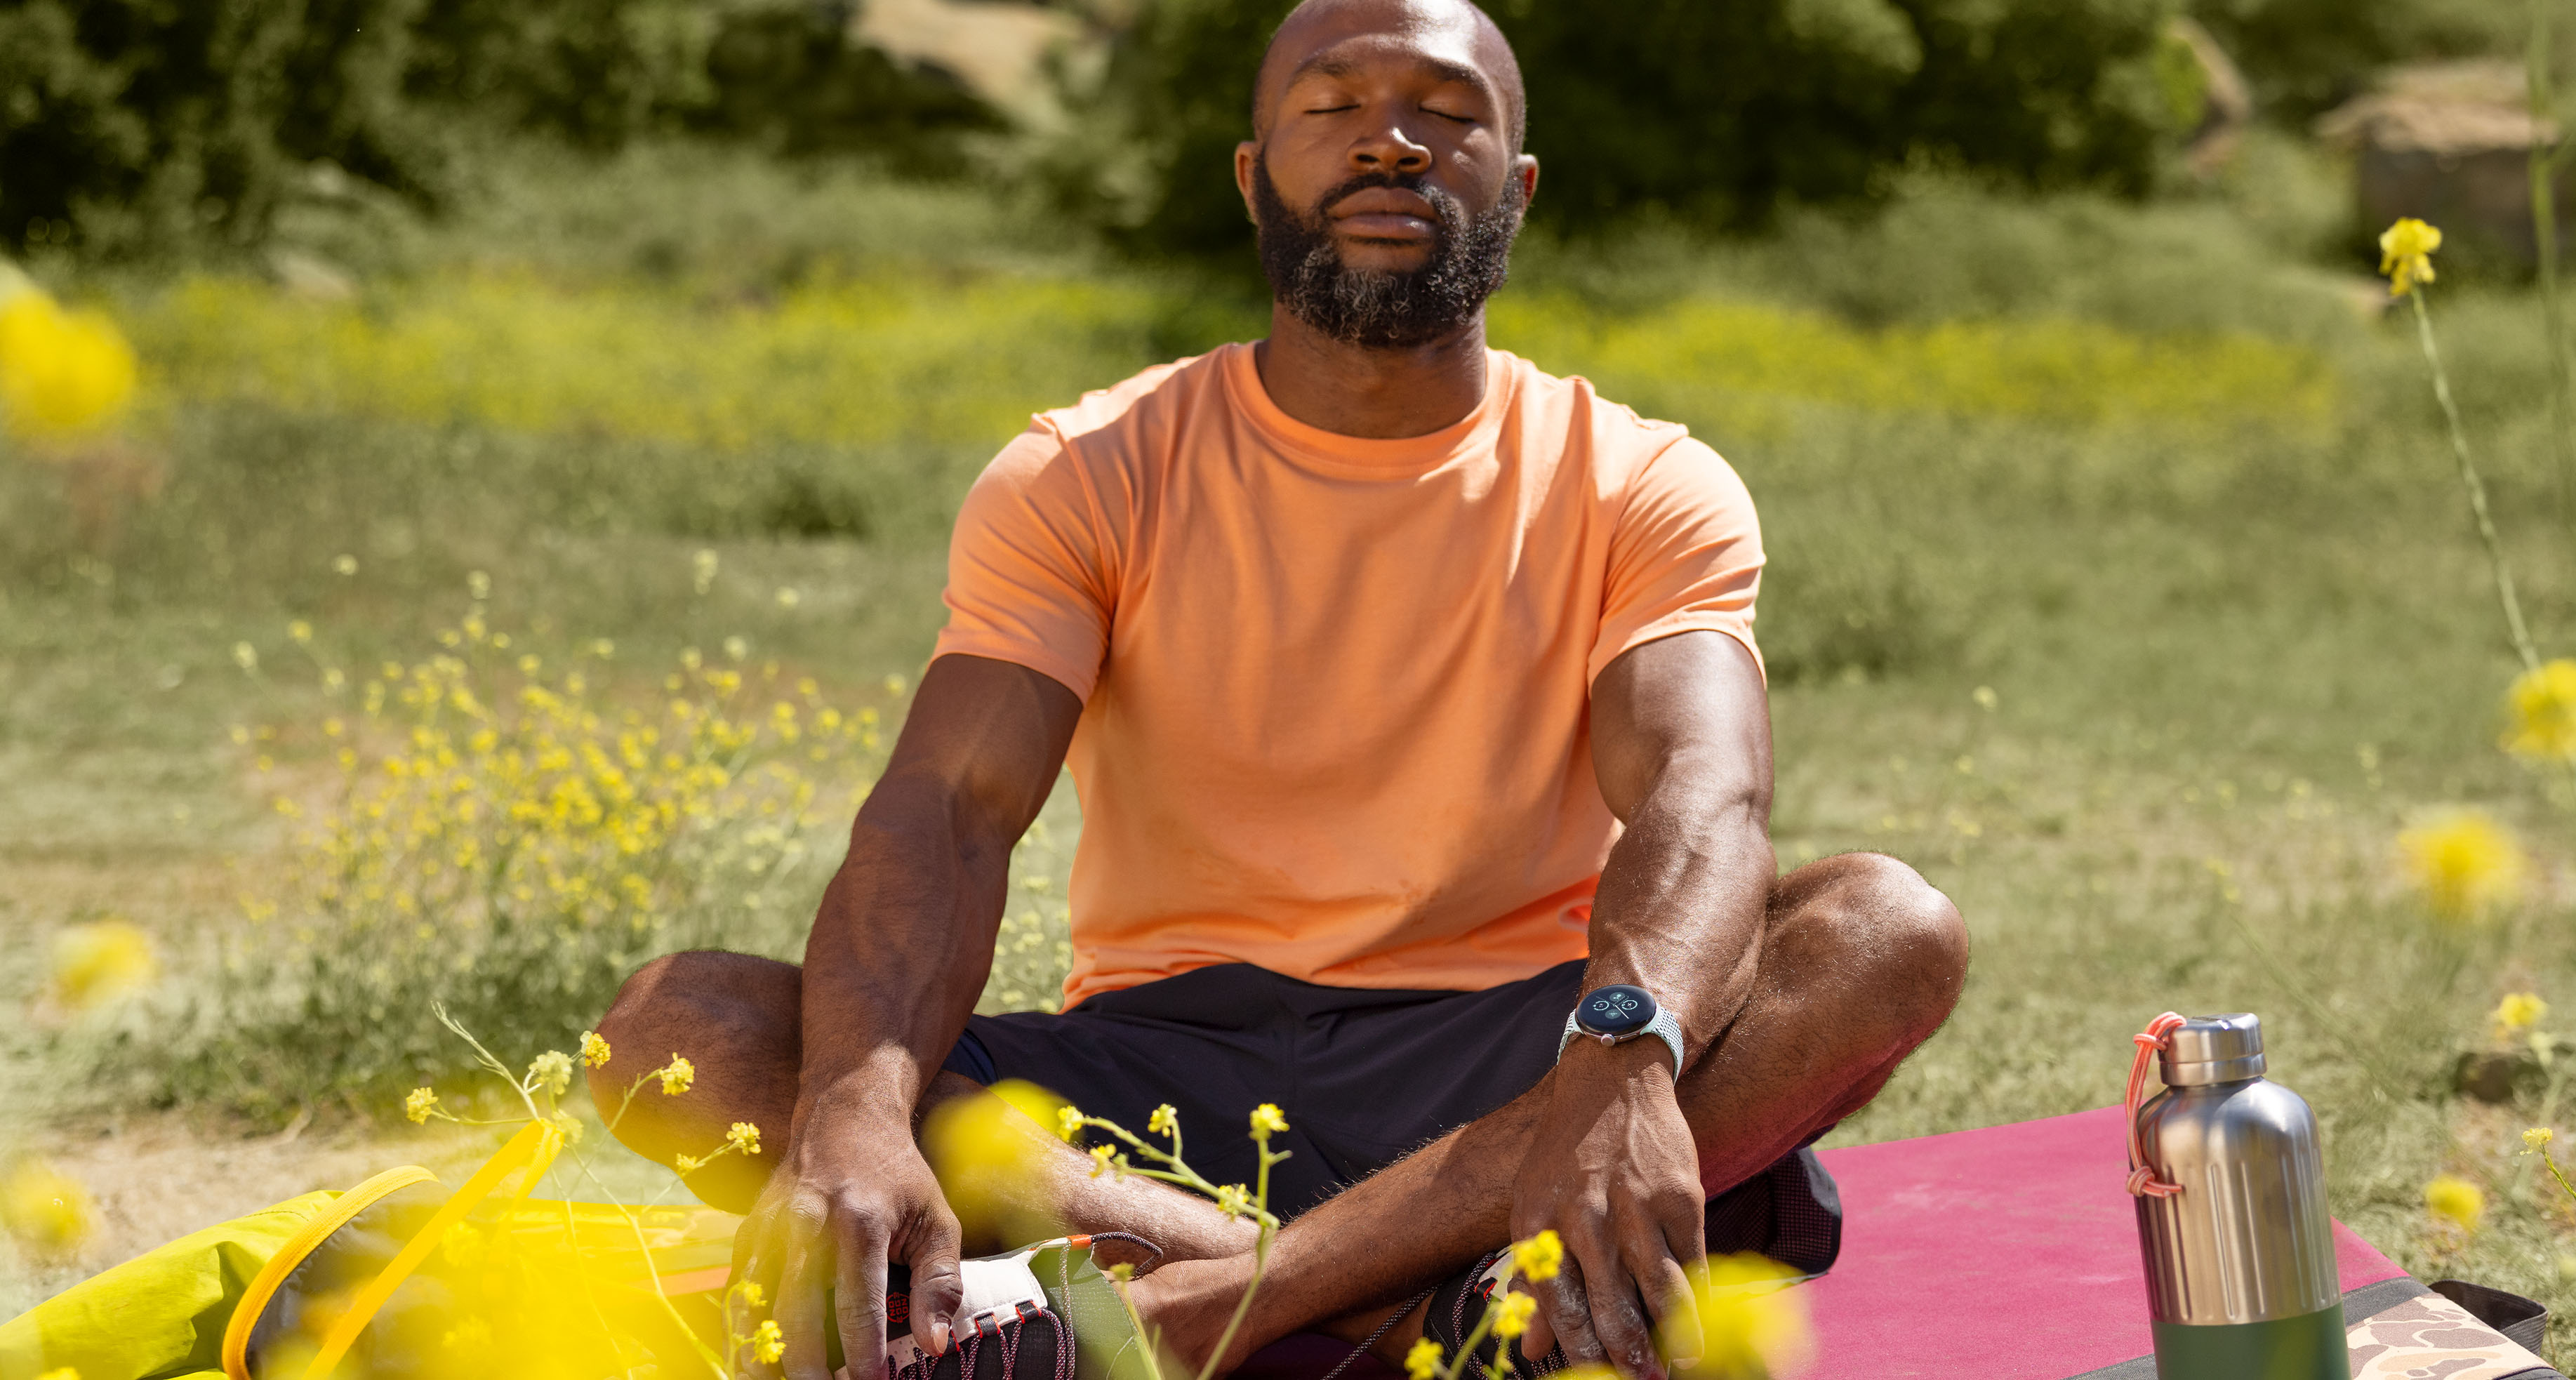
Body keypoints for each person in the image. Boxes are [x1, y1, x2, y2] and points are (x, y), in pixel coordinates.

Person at [587, 1, 1967, 1376]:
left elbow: (1702, 793)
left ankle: (1195, 1312)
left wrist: (1622, 1054)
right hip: (1161, 1066)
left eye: (1446, 111)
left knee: (1881, 927)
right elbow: (950, 808)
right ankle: (1409, 1303)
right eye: (1333, 106)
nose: (1391, 143)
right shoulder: (1086, 468)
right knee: (674, 1029)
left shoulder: (1645, 480)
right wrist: (851, 1107)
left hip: (1514, 1062)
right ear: (1256, 175)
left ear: (1517, 187)